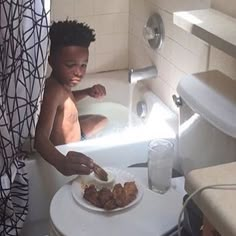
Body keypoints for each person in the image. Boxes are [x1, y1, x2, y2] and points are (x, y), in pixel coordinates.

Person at [35, 20, 108, 176]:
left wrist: (87, 92)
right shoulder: (53, 90)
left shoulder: (63, 85)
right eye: (70, 65)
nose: (78, 72)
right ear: (51, 61)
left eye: (83, 65)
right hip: (69, 150)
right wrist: (61, 162)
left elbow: (68, 99)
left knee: (103, 119)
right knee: (103, 122)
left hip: (77, 137)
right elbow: (40, 139)